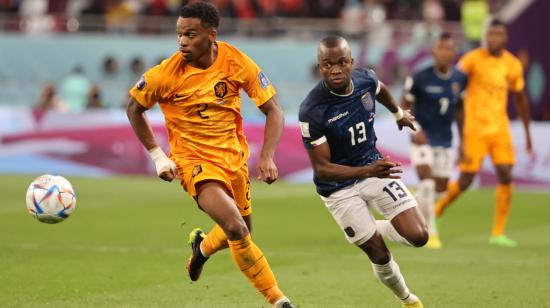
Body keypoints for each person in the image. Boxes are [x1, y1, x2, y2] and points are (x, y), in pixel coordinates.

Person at [126, 2, 294, 308]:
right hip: (193, 162)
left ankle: (201, 249)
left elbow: (274, 110)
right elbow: (134, 108)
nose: (182, 41)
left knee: (243, 229)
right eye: (179, 34)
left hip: (233, 158)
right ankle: (279, 300)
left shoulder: (235, 61)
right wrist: (158, 156)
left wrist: (267, 156)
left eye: (190, 34)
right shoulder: (165, 74)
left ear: (211, 35)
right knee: (236, 228)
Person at [299, 35, 427, 308]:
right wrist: (369, 170)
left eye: (341, 62)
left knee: (419, 236)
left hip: (372, 167)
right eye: (327, 64)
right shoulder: (312, 110)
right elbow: (322, 170)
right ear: (319, 67)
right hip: (339, 188)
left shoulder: (365, 79)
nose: (335, 70)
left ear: (351, 63)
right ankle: (408, 299)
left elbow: (380, 89)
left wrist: (398, 114)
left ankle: (366, 230)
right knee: (378, 253)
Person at [434, 19, 533, 248]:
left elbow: (520, 98)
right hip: (474, 129)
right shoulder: (472, 59)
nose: (495, 38)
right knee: (466, 180)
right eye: (491, 34)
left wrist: (527, 134)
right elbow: (453, 84)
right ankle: (436, 211)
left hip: (500, 129)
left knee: (506, 174)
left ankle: (498, 232)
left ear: (505, 38)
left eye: (499, 34)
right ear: (486, 36)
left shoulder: (512, 64)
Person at [401, 33, 467, 249]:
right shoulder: (419, 78)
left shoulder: (459, 79)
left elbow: (459, 110)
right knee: (427, 181)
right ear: (434, 51)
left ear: (454, 53)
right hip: (422, 139)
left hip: (445, 140)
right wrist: (414, 128)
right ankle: (431, 231)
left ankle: (410, 200)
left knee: (440, 188)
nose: (445, 53)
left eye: (449, 49)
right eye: (441, 48)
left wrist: (463, 140)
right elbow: (404, 104)